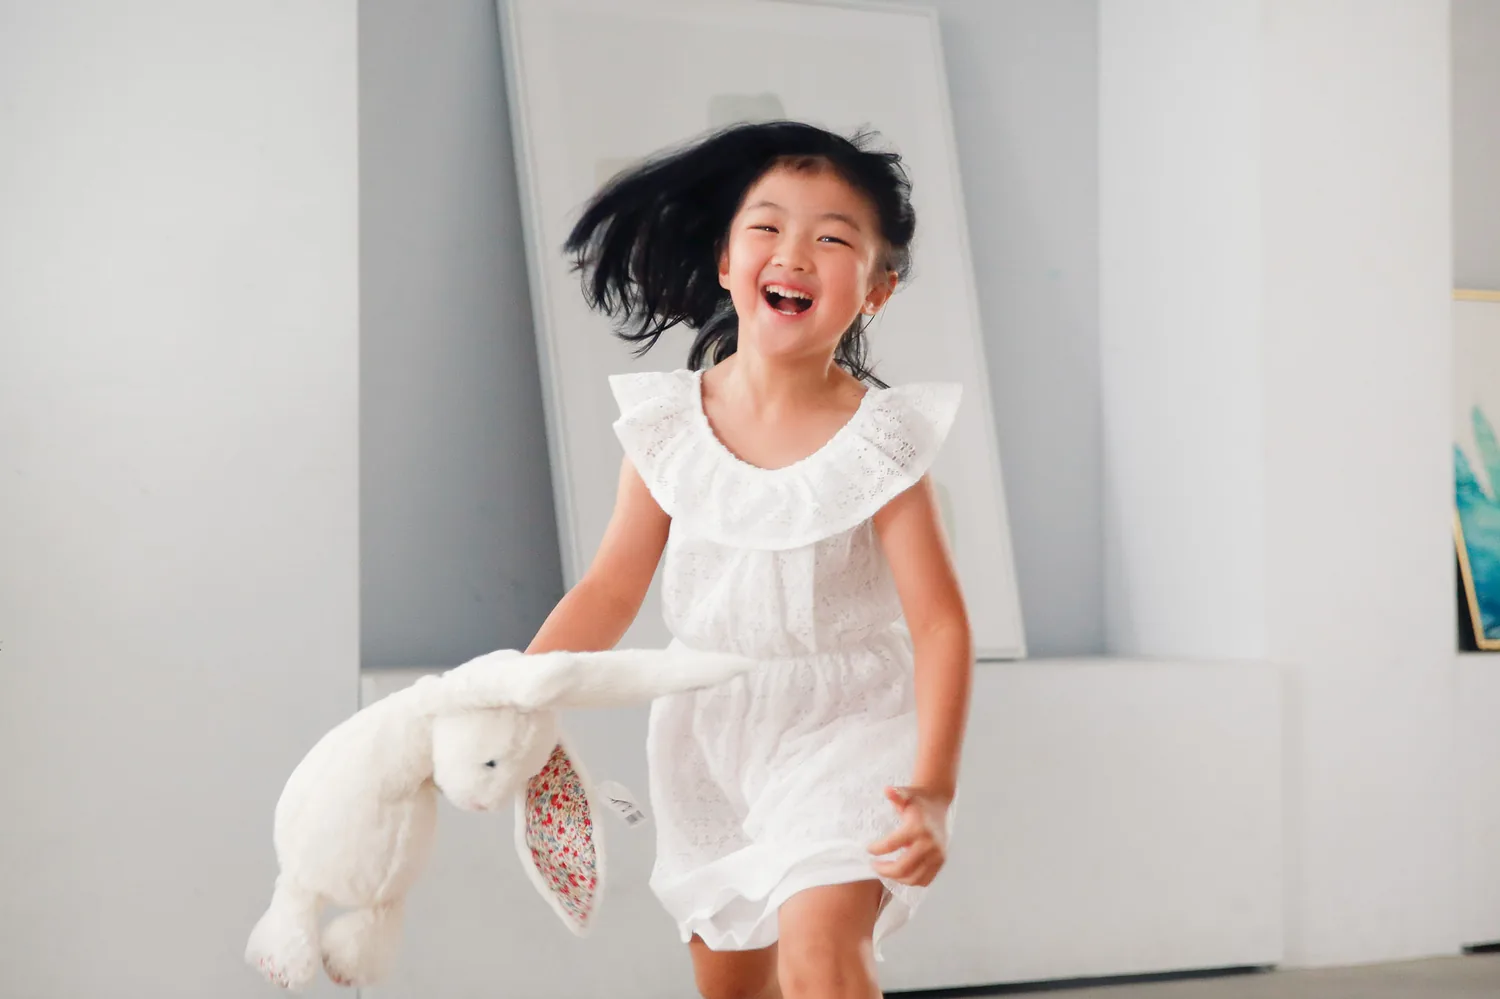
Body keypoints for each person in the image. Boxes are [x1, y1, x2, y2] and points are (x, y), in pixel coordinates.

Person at [525, 120, 974, 999]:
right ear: (729, 264)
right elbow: (611, 586)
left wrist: (933, 789)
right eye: (767, 227)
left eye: (832, 238)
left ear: (876, 290)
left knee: (820, 959)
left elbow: (939, 621)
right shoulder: (667, 428)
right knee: (731, 986)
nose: (795, 252)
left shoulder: (881, 442)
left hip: (849, 723)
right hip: (708, 735)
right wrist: (516, 695)